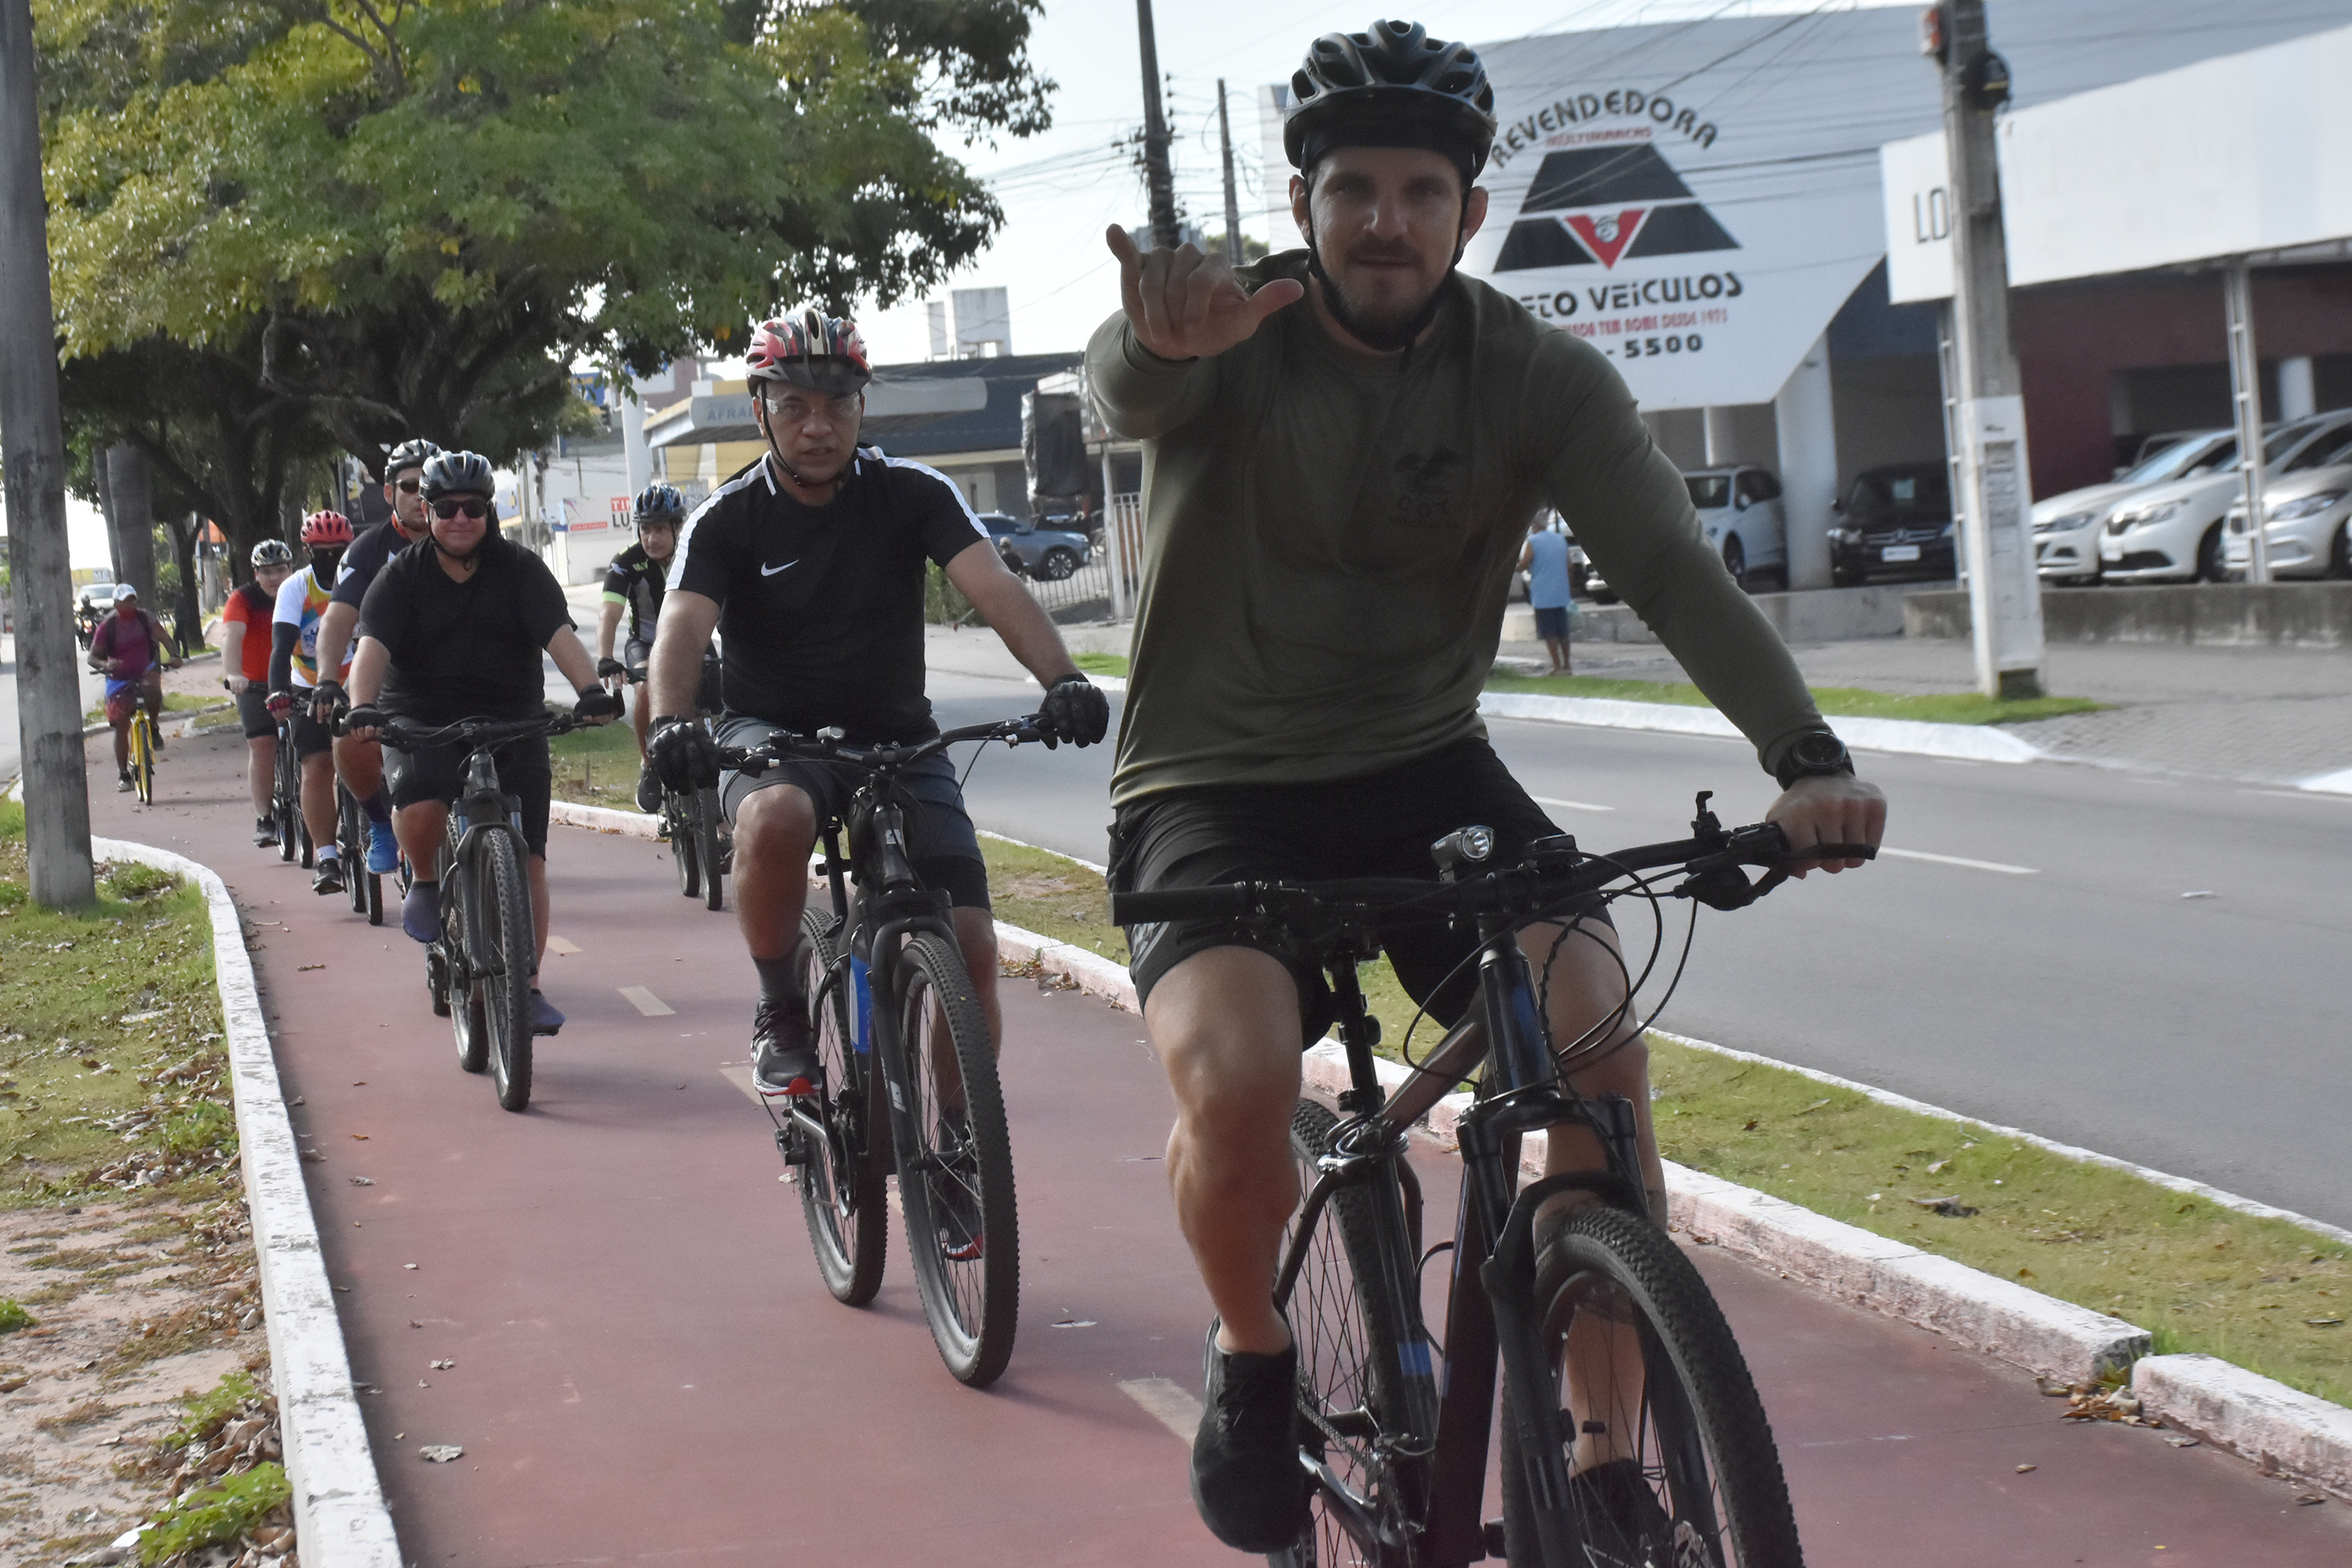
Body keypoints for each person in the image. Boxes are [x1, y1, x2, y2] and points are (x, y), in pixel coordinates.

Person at [1089, 20, 1887, 1552]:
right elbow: (1128, 386)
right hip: (1211, 784)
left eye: (1421, 190)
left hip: (1427, 766)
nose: (1385, 220)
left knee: (1595, 1050)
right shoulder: (1230, 331)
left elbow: (1669, 567)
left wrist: (1808, 761)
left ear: (1469, 206)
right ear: (1306, 201)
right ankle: (1255, 1357)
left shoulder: (1532, 375)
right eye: (1353, 190)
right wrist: (1151, 344)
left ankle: (1599, 1460)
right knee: (1244, 1080)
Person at [645, 309, 1110, 1099]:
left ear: (864, 406)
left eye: (839, 404)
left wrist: (1062, 680)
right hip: (772, 737)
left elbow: (995, 587)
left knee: (968, 944)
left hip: (898, 738)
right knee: (777, 816)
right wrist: (669, 723)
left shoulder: (911, 493)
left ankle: (962, 1152)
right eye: (794, 405)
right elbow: (683, 627)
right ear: (761, 410)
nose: (819, 426)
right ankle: (781, 1007)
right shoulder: (726, 518)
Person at [340, 451, 623, 1036]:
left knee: (531, 859)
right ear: (427, 511)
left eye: (473, 508)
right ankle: (423, 878)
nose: (460, 519)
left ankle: (529, 986)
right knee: (419, 802)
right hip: (419, 714)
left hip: (512, 714)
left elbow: (559, 634)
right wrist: (363, 708)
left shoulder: (519, 569)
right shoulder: (400, 577)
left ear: (489, 512)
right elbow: (369, 651)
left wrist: (591, 690)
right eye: (446, 509)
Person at [312, 438, 441, 881]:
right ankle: (380, 821)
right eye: (410, 485)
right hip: (387, 678)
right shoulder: (366, 551)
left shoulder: (471, 535)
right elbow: (336, 621)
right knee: (348, 732)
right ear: (389, 493)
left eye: (431, 485)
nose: (421, 496)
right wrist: (327, 679)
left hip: (462, 672)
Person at [595, 482, 719, 811]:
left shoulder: (697, 553)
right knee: (649, 687)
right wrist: (605, 656)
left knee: (723, 704)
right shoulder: (626, 562)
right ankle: (649, 766)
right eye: (645, 529)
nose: (651, 538)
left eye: (660, 529)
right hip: (646, 644)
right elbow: (610, 611)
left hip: (695, 640)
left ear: (679, 527)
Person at [266, 511, 356, 894]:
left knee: (381, 753)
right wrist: (277, 691)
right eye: (322, 552)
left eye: (339, 551)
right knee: (317, 764)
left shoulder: (363, 581)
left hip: (358, 678)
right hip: (309, 682)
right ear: (308, 552)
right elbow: (282, 645)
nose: (332, 558)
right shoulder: (295, 588)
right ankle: (328, 857)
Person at [220, 539, 297, 844]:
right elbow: (231, 635)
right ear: (256, 574)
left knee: (316, 748)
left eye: (281, 570)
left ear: (292, 569)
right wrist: (235, 675)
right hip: (254, 684)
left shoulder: (301, 592)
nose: (275, 578)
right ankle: (264, 817)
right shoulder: (243, 598)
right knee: (263, 746)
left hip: (297, 680)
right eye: (266, 572)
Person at [86, 585, 179, 792]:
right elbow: (92, 657)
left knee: (153, 688)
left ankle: (154, 728)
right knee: (121, 724)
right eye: (125, 602)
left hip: (145, 670)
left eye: (133, 600)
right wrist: (105, 665)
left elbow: (164, 638)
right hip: (117, 677)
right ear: (116, 605)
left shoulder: (145, 618)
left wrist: (175, 656)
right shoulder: (107, 626)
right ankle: (123, 774)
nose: (129, 605)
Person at [1521, 514, 1575, 675]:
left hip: (1542, 594)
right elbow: (1570, 565)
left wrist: (1513, 567)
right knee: (1563, 631)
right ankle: (1567, 665)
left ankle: (1557, 666)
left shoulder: (1533, 541)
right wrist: (1569, 586)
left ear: (1534, 525)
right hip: (1561, 592)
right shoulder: (1560, 539)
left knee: (1549, 632)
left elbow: (1525, 563)